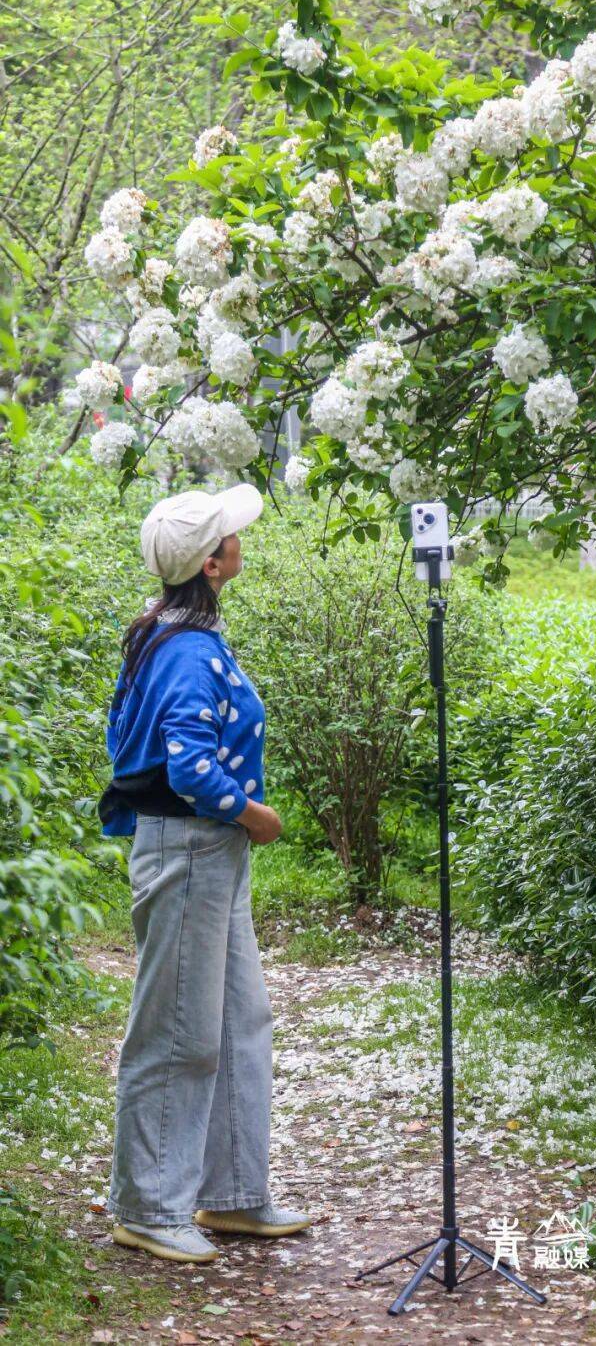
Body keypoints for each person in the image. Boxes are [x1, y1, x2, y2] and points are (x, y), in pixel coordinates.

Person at [101, 485, 311, 1264]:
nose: (240, 541)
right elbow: (189, 766)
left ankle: (232, 1193)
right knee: (179, 1032)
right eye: (231, 536)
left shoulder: (175, 631)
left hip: (205, 850)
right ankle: (149, 1207)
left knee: (237, 1022)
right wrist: (254, 815)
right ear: (212, 564)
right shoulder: (186, 649)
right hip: (191, 844)